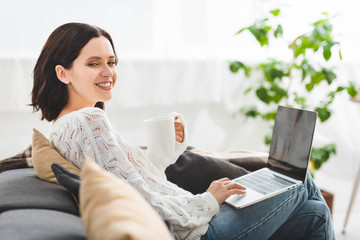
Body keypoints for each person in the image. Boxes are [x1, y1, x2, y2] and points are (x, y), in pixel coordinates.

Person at [30, 22, 335, 240]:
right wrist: (208, 200)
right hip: (196, 231)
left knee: (315, 214)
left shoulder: (67, 125)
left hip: (192, 222)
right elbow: (141, 196)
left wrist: (169, 150)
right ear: (63, 72)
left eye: (111, 61)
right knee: (298, 178)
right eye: (93, 63)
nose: (108, 72)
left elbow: (139, 179)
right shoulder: (87, 122)